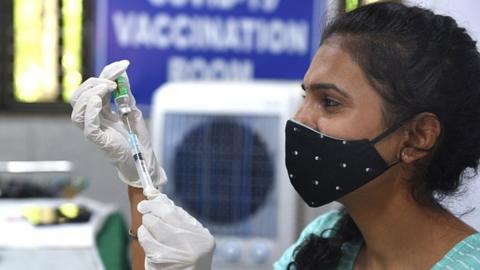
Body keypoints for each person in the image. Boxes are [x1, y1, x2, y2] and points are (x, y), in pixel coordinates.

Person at [70, 1, 480, 269]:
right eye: (306, 97)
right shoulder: (328, 241)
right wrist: (140, 183)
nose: (300, 119)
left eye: (330, 103)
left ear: (418, 136)